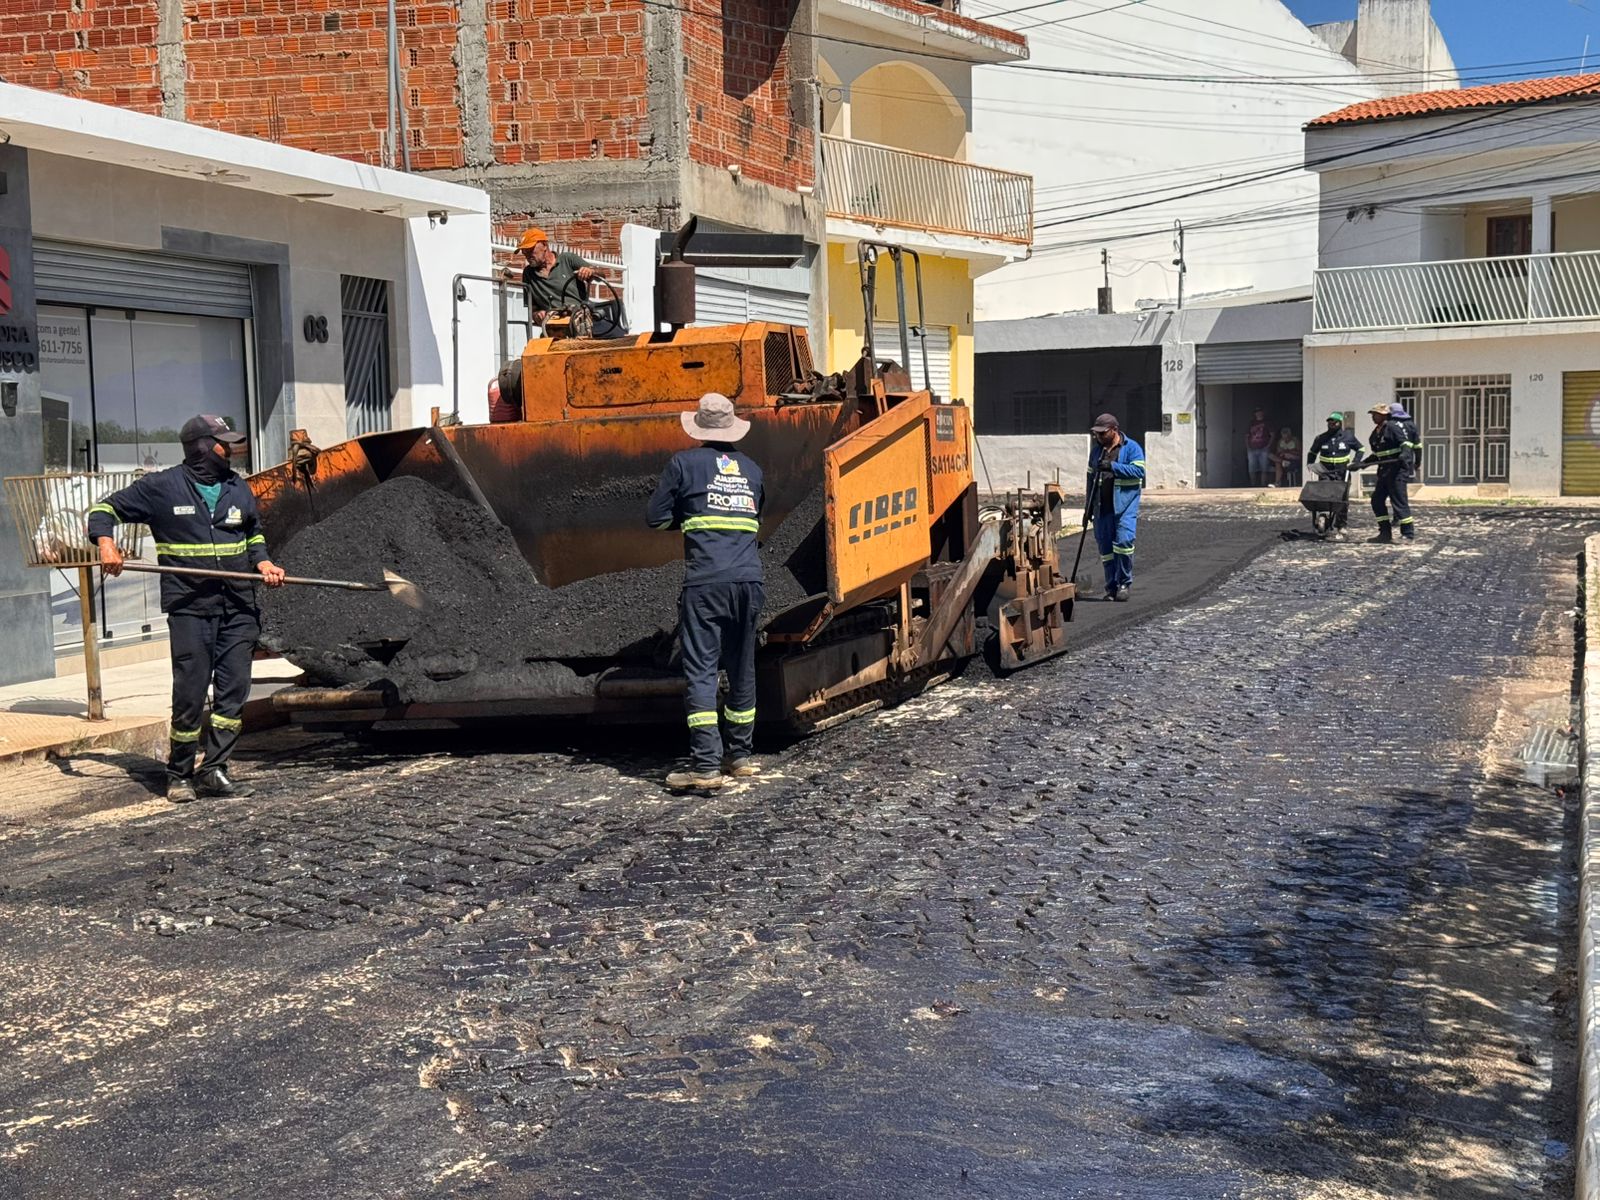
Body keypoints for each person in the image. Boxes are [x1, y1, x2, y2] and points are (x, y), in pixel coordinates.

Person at [88, 414, 286, 803]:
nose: (229, 450)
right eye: (222, 443)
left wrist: (262, 561)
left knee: (232, 693)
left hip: (239, 605)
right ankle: (179, 773)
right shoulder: (161, 487)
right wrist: (106, 544)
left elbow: (253, 531)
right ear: (201, 446)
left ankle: (214, 770)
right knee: (191, 693)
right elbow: (103, 510)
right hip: (191, 608)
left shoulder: (236, 487)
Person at [646, 392, 765, 791]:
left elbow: (656, 519)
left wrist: (689, 520)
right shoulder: (751, 469)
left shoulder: (682, 464)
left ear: (698, 426)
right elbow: (753, 519)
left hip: (706, 582)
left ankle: (705, 766)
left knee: (701, 671)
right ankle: (742, 757)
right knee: (742, 666)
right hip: (750, 581)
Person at [1087, 412, 1146, 602]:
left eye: (1103, 433)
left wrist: (1113, 467)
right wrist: (1087, 508)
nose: (1099, 437)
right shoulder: (1096, 451)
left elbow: (1139, 471)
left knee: (1124, 543)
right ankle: (1111, 587)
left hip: (1124, 507)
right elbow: (1090, 480)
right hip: (1102, 507)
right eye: (1097, 434)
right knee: (1106, 550)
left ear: (1114, 430)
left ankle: (1124, 584)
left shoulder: (1132, 448)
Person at [503, 227, 597, 327]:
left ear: (544, 245)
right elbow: (532, 308)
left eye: (530, 250)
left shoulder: (567, 259)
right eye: (524, 252)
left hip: (579, 321)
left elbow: (600, 274)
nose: (527, 255)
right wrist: (537, 315)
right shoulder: (528, 273)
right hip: (553, 326)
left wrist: (590, 271)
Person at [1363, 401, 1417, 543]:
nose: (1373, 417)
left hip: (1397, 470)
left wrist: (1405, 454)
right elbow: (1376, 455)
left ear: (1384, 415)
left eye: (1376, 414)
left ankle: (1408, 534)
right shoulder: (1374, 434)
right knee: (1377, 501)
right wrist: (1362, 464)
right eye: (1373, 414)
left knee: (1399, 502)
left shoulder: (1393, 427)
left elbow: (1405, 443)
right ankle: (1385, 533)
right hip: (1384, 471)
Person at [1305, 410, 1363, 537]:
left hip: (1343, 472)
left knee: (1342, 500)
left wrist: (1355, 462)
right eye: (1330, 422)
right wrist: (1310, 464)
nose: (1331, 424)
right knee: (1324, 497)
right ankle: (1323, 519)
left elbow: (1361, 449)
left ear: (1340, 423)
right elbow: (1312, 452)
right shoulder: (1321, 438)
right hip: (1326, 472)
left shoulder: (1348, 437)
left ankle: (1341, 525)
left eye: (1334, 422)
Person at [1245, 408, 1274, 487]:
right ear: (1255, 414)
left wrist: (1268, 446)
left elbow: (1272, 435)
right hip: (1252, 449)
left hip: (1263, 449)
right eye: (1257, 412)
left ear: (1262, 413)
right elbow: (1247, 436)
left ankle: (1262, 486)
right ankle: (1253, 485)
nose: (1258, 413)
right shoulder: (1251, 423)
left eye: (1260, 411)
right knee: (1251, 469)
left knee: (1264, 468)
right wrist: (1248, 447)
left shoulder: (1267, 423)